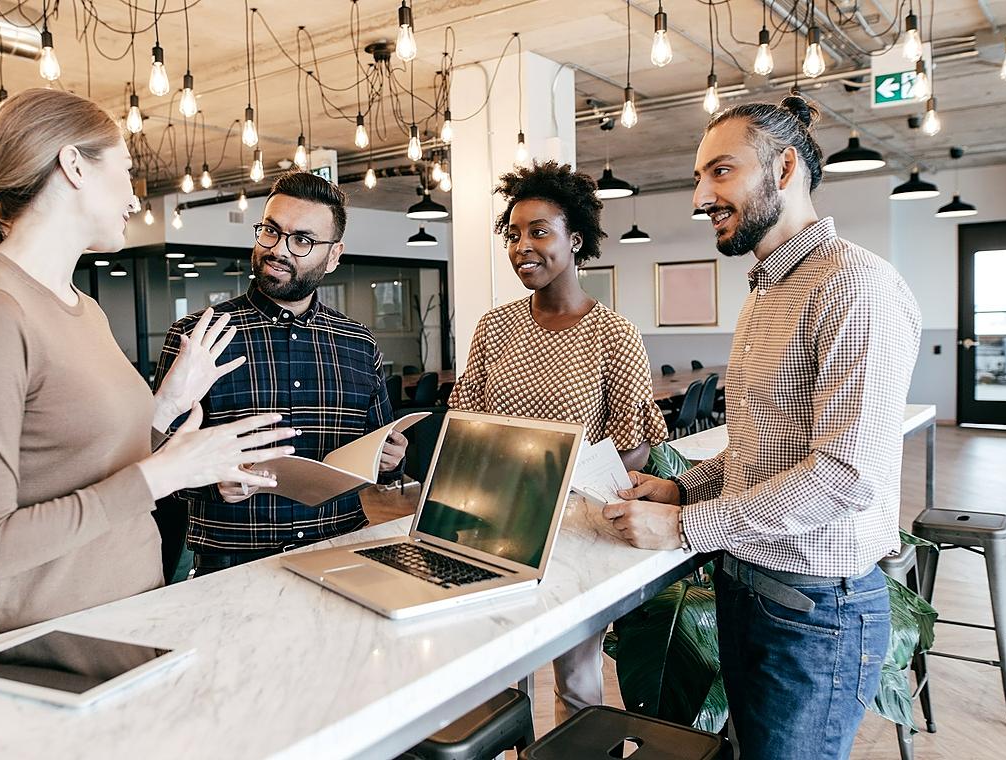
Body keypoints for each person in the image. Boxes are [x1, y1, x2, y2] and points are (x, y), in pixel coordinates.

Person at [0, 88, 297, 639]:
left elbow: (86, 463)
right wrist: (166, 473)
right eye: (127, 169)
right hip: (57, 643)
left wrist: (169, 407)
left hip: (129, 616)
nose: (136, 199)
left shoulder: (81, 306)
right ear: (73, 166)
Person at [605, 94, 921, 759]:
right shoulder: (766, 292)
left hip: (815, 616)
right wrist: (684, 488)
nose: (700, 196)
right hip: (749, 595)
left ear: (783, 170)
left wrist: (685, 527)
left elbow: (842, 477)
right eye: (700, 177)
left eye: (720, 172)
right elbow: (757, 448)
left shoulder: (855, 287)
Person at [448, 160, 668, 720]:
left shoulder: (612, 332)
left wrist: (558, 481)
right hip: (495, 525)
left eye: (539, 231)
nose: (523, 245)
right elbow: (467, 424)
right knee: (500, 681)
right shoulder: (494, 327)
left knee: (576, 683)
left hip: (576, 528)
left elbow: (635, 447)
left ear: (575, 239)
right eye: (514, 234)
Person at [151, 171, 406, 577]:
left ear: (334, 255)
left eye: (302, 240)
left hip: (340, 550)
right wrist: (214, 481)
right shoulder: (196, 337)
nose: (279, 249)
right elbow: (157, 460)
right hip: (232, 565)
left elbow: (375, 453)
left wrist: (389, 460)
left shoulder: (358, 343)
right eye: (270, 231)